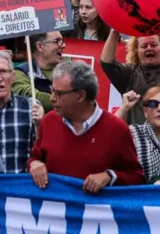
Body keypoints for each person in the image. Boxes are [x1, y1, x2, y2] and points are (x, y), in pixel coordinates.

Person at [28, 61, 145, 192]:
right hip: (55, 203)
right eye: (52, 91)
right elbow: (35, 157)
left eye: (59, 93)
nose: (52, 98)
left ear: (81, 95)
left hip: (97, 204)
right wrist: (34, 164)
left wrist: (109, 176)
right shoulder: (48, 122)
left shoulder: (117, 129)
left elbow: (137, 177)